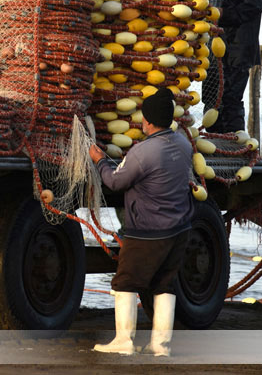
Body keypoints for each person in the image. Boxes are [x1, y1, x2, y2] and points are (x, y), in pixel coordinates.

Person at [88, 90, 194, 357]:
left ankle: (124, 342)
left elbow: (114, 182)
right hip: (179, 229)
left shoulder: (142, 152)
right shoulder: (183, 144)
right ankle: (161, 346)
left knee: (124, 282)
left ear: (147, 121)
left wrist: (99, 160)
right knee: (164, 284)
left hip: (148, 232)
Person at [202, 0, 262, 133]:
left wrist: (223, 14)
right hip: (215, 49)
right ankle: (213, 140)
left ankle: (234, 144)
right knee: (211, 99)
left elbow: (254, 7)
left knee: (230, 100)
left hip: (237, 50)